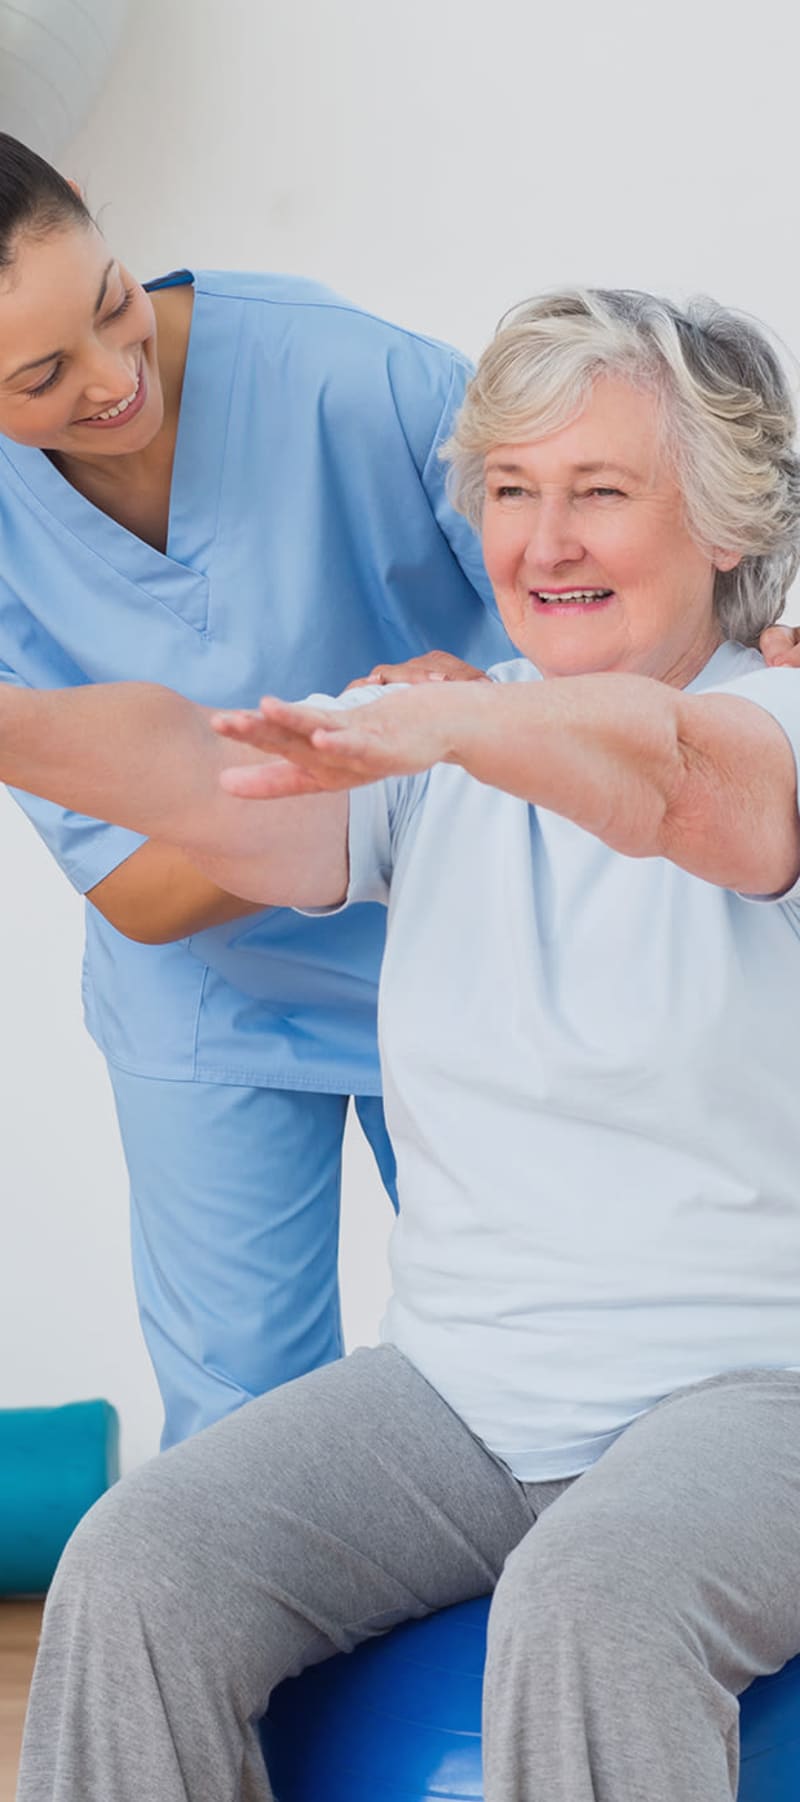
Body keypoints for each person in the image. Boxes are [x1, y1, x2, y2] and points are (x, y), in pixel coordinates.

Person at [9, 285, 800, 1802]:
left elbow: (677, 781)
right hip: (466, 1394)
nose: (543, 541)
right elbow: (194, 768)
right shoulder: (439, 739)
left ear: (720, 522)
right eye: (510, 492)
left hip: (759, 1391)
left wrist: (461, 729)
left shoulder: (758, 721)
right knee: (139, 1558)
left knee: (597, 1599)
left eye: (599, 494)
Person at [0, 132, 516, 1447]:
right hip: (210, 1004)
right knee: (241, 1427)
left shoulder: (349, 376)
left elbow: (581, 605)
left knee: (531, 1376)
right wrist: (376, 751)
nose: (119, 380)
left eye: (113, 306)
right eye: (43, 375)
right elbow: (138, 894)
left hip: (456, 950)